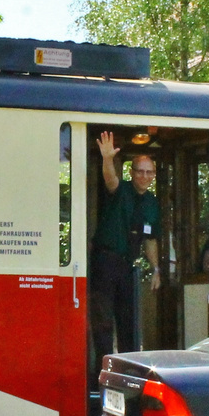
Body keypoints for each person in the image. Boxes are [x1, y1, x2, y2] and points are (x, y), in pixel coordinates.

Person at [90, 131, 160, 368]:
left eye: (149, 172)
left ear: (154, 176)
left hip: (128, 266)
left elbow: (150, 240)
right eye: (140, 171)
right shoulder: (122, 191)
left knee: (128, 321)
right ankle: (102, 371)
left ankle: (128, 374)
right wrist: (107, 158)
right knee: (103, 321)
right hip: (105, 261)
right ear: (132, 173)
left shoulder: (152, 203)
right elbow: (111, 181)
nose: (145, 176)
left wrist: (156, 269)